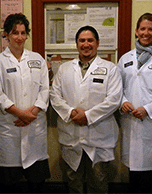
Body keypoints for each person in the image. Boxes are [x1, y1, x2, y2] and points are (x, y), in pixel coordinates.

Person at [50, 25, 123, 193]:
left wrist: (88, 116)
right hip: (71, 135)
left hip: (99, 137)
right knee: (73, 181)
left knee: (98, 181)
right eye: (82, 40)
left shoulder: (110, 69)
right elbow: (55, 95)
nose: (86, 44)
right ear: (77, 44)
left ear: (97, 43)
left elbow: (114, 99)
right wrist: (70, 113)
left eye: (90, 40)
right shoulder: (64, 69)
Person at [0, 13, 50, 193]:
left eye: (23, 33)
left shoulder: (37, 59)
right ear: (6, 35)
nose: (19, 37)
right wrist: (19, 113)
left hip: (34, 126)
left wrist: (31, 113)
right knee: (8, 183)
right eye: (15, 33)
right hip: (10, 128)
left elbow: (45, 89)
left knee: (37, 181)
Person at [117, 13, 152, 193]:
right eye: (142, 29)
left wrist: (148, 110)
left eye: (150, 29)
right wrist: (123, 102)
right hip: (130, 121)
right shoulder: (125, 59)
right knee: (133, 173)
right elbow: (116, 89)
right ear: (136, 31)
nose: (146, 33)